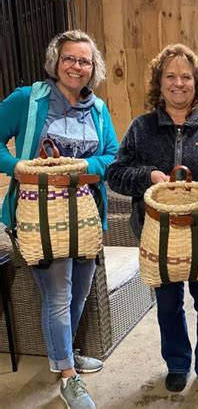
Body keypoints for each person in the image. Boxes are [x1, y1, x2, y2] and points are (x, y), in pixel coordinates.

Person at [107, 43, 198, 399]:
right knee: (168, 306)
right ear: (159, 81)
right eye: (170, 76)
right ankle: (177, 364)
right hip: (158, 240)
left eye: (186, 76)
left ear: (196, 83)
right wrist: (150, 176)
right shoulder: (141, 129)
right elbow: (116, 174)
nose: (178, 83)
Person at [0, 30, 119, 408]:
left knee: (79, 292)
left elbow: (113, 155)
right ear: (56, 61)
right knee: (58, 294)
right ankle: (68, 375)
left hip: (85, 217)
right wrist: (16, 167)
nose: (76, 66)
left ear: (92, 68)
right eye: (69, 58)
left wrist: (87, 165)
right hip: (39, 220)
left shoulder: (98, 109)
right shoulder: (28, 99)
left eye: (84, 61)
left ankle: (65, 352)